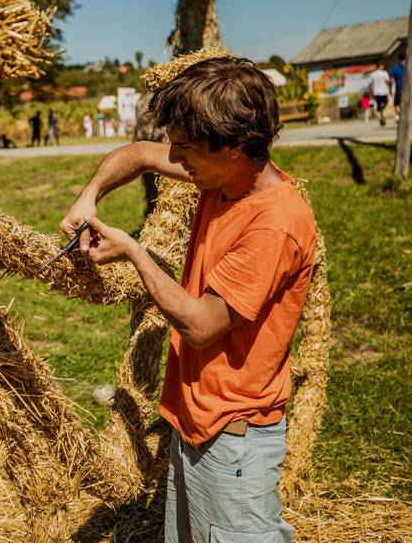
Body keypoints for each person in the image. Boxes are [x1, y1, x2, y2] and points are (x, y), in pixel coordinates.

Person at [60, 57, 316, 543]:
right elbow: (137, 154)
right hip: (197, 421)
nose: (175, 159)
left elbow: (200, 325)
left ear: (236, 147)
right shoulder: (224, 177)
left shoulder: (274, 223)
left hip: (233, 438)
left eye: (187, 149)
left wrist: (134, 251)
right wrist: (89, 196)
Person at [390, 52, 405, 117]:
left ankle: (402, 116)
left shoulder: (395, 69)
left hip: (399, 89)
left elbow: (391, 81)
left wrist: (390, 89)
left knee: (396, 105)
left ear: (399, 59)